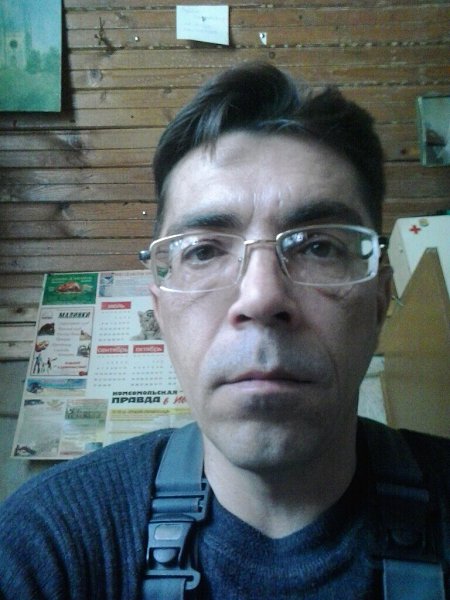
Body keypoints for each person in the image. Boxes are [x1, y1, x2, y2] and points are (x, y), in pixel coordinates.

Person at [0, 62, 448, 599]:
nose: (261, 297)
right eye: (205, 251)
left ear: (379, 301)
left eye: (319, 246)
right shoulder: (45, 545)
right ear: (160, 311)